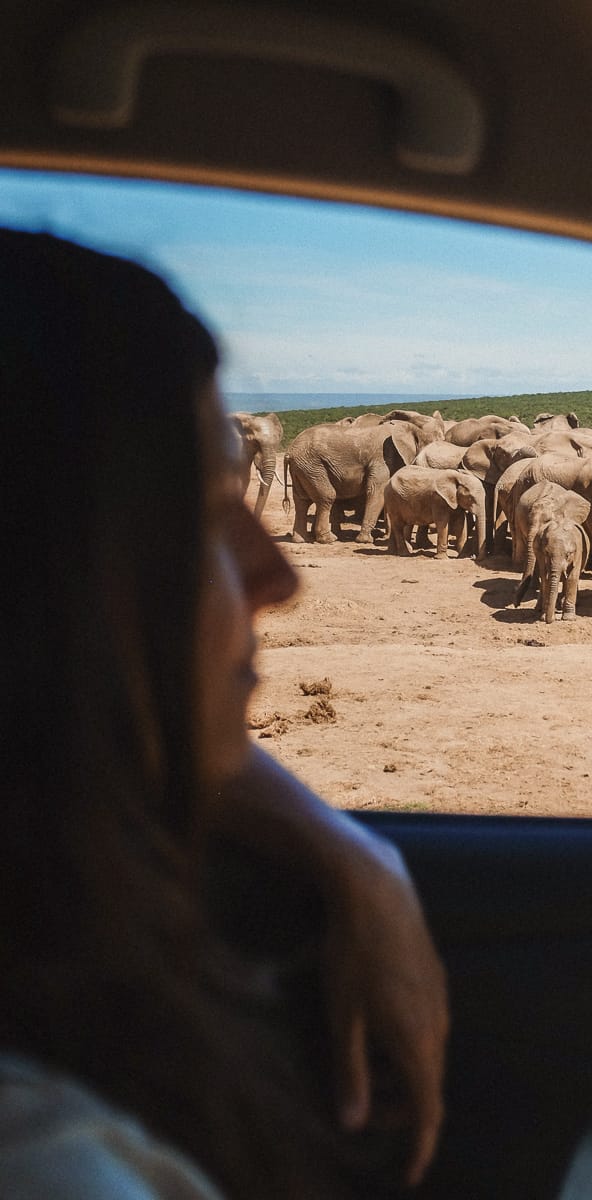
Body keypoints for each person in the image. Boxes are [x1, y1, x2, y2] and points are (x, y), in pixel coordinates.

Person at [0, 229, 448, 1197]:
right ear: (51, 588)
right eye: (204, 515)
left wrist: (348, 851)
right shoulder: (54, 1167)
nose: (279, 576)